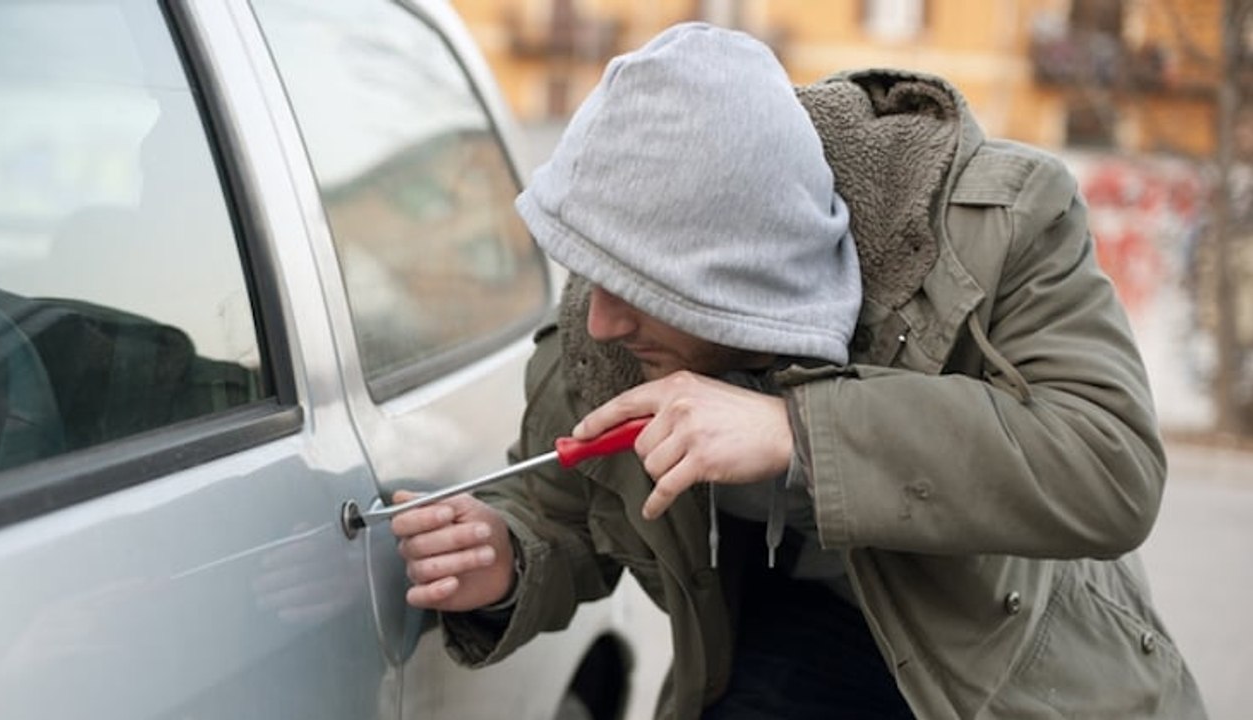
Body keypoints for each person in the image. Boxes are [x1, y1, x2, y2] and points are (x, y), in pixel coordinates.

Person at [391, 22, 1207, 720]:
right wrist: (507, 554)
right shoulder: (607, 322)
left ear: (737, 277)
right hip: (785, 655)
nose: (602, 319)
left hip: (1017, 675)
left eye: (640, 289)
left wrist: (796, 431)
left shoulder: (999, 225)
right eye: (596, 276)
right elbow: (565, 511)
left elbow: (1109, 467)